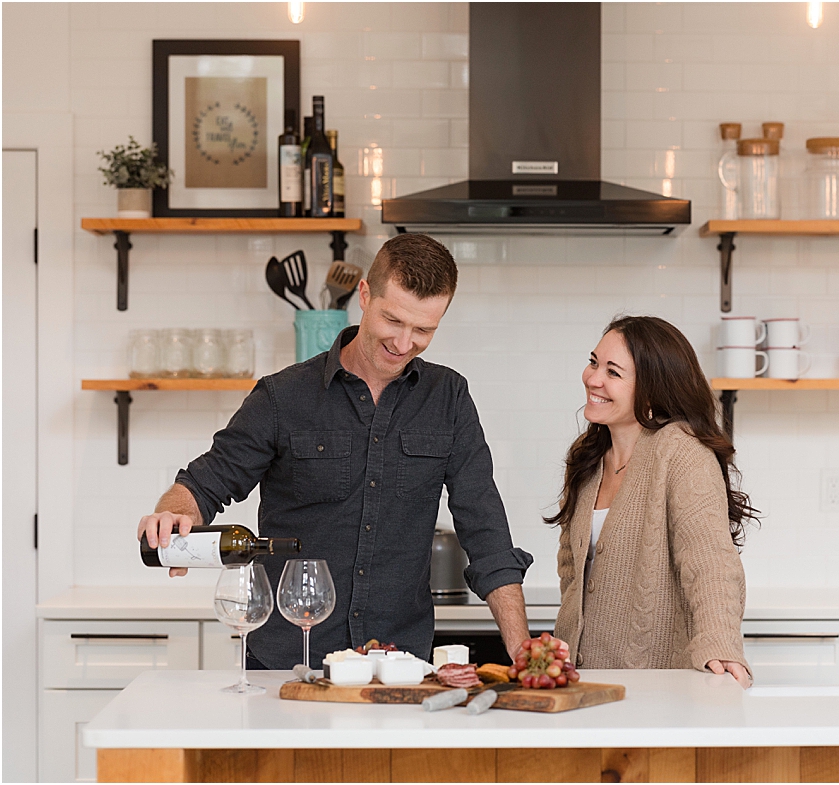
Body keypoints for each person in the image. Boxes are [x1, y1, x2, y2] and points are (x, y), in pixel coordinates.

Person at [137, 234, 532, 669]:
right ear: (364, 295)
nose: (404, 343)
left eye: (423, 330)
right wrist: (174, 513)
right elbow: (203, 484)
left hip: (397, 668)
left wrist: (520, 648)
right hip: (289, 664)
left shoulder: (449, 398)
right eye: (393, 321)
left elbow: (486, 529)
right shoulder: (282, 397)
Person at [549, 316, 756, 688]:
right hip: (578, 684)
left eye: (613, 373)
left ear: (651, 389)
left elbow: (710, 562)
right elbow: (571, 570)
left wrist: (720, 643)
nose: (593, 379)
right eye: (594, 362)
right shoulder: (588, 457)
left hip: (655, 688)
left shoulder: (680, 452)